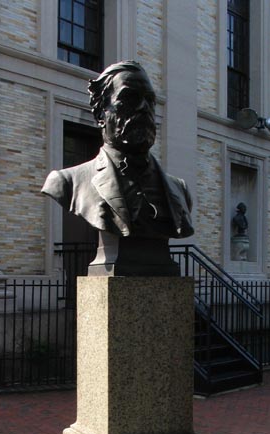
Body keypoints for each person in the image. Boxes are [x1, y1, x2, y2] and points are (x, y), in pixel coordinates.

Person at [41, 61, 194, 276]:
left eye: (149, 101)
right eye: (129, 98)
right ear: (101, 114)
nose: (143, 108)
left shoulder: (179, 189)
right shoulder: (66, 182)